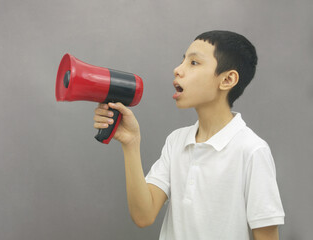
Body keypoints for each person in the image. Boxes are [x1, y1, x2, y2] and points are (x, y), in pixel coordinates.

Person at [93, 30, 285, 240]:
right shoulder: (176, 141)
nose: (177, 69)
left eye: (193, 63)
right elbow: (143, 216)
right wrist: (131, 143)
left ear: (228, 79)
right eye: (183, 60)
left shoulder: (252, 150)